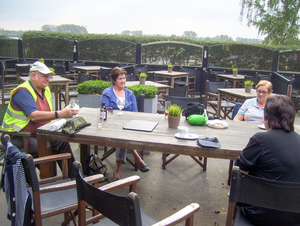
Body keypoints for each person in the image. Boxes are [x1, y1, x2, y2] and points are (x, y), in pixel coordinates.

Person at [1, 61, 78, 178]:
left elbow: (46, 114)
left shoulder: (45, 89)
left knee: (62, 141)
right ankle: (46, 180)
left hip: (40, 132)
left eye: (49, 76)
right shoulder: (23, 91)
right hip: (17, 135)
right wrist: (60, 114)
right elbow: (34, 116)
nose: (48, 79)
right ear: (33, 76)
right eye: (44, 76)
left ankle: (75, 177)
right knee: (43, 147)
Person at [236, 95, 300, 225]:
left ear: (266, 118)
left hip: (259, 215)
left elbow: (241, 173)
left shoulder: (260, 140)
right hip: (295, 217)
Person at [100, 67, 150, 181]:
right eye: (119, 79)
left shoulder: (130, 94)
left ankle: (118, 170)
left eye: (124, 78)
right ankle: (137, 157)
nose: (123, 81)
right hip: (111, 125)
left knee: (123, 136)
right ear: (114, 80)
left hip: (128, 126)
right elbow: (106, 110)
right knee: (122, 136)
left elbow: (135, 113)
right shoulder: (107, 92)